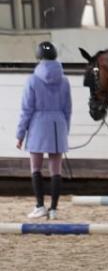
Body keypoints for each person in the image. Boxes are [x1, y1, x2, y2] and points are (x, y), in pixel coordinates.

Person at [16, 41, 72, 219]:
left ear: (39, 57)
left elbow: (26, 109)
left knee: (36, 167)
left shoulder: (32, 80)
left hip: (38, 124)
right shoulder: (64, 81)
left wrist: (20, 134)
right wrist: (65, 130)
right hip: (58, 125)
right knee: (56, 169)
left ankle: (40, 206)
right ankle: (54, 209)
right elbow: (68, 109)